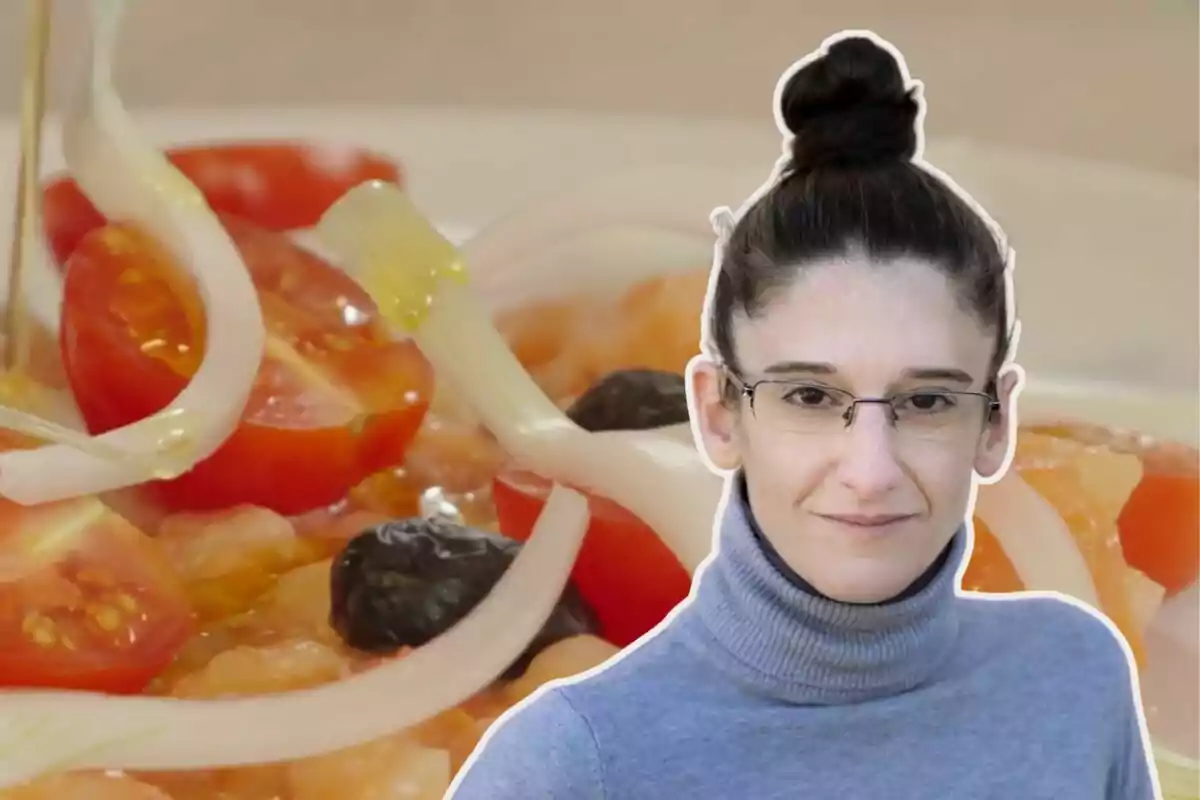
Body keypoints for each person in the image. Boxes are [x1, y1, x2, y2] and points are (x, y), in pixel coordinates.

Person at [448, 30, 1160, 800]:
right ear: (716, 415)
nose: (869, 470)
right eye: (811, 399)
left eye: (927, 401)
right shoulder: (576, 755)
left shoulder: (1073, 679)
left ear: (994, 425)